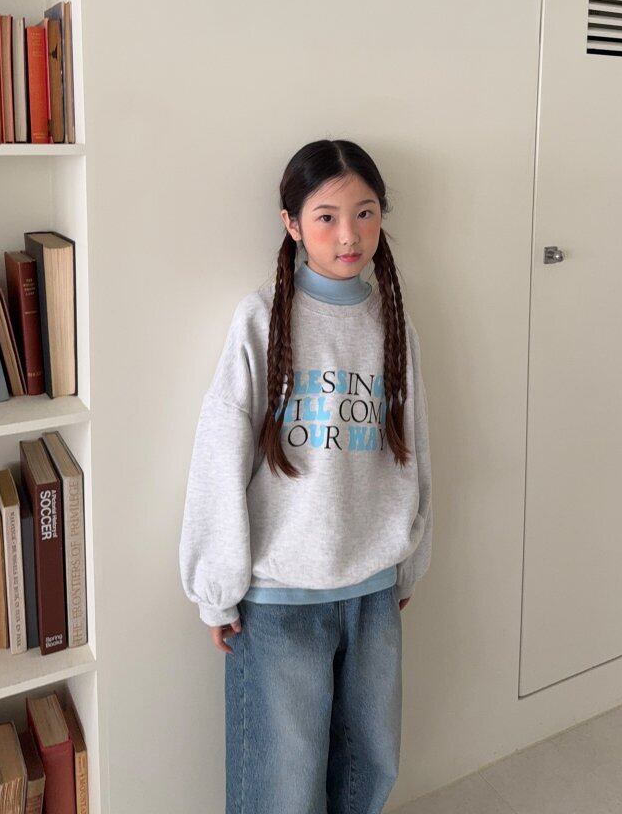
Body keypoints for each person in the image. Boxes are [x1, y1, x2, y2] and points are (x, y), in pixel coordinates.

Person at [179, 138, 433, 813]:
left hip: (372, 591)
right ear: (291, 223)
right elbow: (221, 454)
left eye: (365, 212)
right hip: (280, 598)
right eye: (326, 216)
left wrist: (409, 562)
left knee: (368, 767)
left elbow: (415, 450)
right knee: (282, 787)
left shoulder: (393, 323)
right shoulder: (261, 318)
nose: (349, 234)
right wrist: (217, 588)